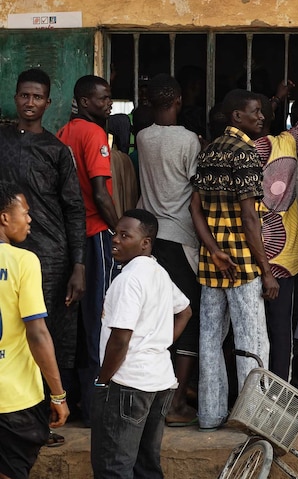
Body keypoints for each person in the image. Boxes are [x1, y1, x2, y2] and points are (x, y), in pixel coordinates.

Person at [0, 69, 85, 446]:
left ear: (48, 103)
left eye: (37, 97)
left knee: (45, 334)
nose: (30, 102)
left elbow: (74, 209)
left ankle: (44, 419)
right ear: (16, 97)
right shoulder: (1, 139)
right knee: (12, 334)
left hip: (50, 254)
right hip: (7, 249)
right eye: (24, 96)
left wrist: (79, 265)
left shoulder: (57, 150)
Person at [190, 89, 274, 432]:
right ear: (236, 117)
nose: (262, 117)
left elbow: (194, 208)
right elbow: (250, 218)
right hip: (241, 264)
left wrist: (212, 250)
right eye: (255, 112)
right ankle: (253, 419)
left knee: (210, 341)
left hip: (213, 265)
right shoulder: (247, 154)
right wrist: (266, 270)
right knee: (252, 343)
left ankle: (210, 416)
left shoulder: (208, 152)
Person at [91, 209, 191, 479]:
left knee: (113, 467)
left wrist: (102, 380)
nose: (116, 240)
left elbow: (120, 339)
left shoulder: (129, 280)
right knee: (146, 466)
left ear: (145, 242)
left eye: (126, 235)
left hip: (128, 383)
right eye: (116, 234)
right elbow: (184, 310)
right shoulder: (157, 272)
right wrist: (157, 345)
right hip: (158, 381)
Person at [135, 74, 201, 427]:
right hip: (181, 237)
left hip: (152, 239)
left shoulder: (143, 138)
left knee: (157, 317)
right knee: (188, 315)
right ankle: (176, 402)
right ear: (177, 101)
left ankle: (155, 397)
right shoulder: (189, 140)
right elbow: (194, 192)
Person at [57, 75, 119, 425]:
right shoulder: (94, 134)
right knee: (101, 320)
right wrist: (119, 231)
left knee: (77, 326)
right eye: (102, 98)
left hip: (71, 237)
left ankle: (77, 398)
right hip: (95, 233)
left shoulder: (64, 133)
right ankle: (98, 406)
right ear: (83, 101)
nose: (108, 103)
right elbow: (99, 193)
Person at [0, 184, 69, 479]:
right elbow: (37, 332)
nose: (29, 220)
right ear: (4, 218)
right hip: (14, 400)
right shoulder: (23, 261)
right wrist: (58, 395)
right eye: (25, 213)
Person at [253, 82, 298, 384]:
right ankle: (279, 396)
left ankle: (250, 394)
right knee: (281, 332)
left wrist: (276, 99)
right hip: (283, 257)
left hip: (242, 256)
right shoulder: (286, 144)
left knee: (249, 333)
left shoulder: (225, 152)